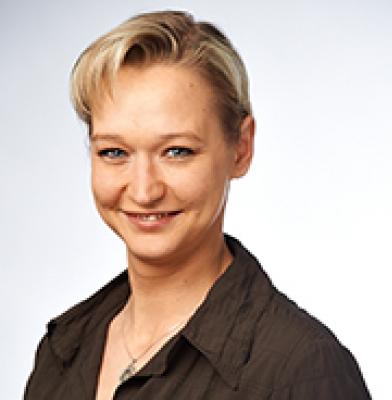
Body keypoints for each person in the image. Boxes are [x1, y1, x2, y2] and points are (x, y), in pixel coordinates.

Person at [24, 10, 372, 400]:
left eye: (177, 151)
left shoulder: (303, 369)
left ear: (241, 148)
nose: (144, 191)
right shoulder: (62, 352)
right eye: (114, 152)